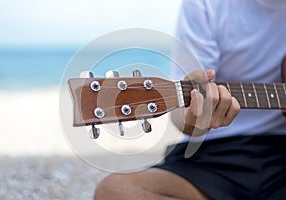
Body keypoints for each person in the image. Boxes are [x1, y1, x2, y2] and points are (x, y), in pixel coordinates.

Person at [94, 0, 286, 199]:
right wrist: (193, 118)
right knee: (116, 191)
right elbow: (181, 119)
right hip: (215, 156)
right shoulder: (206, 4)